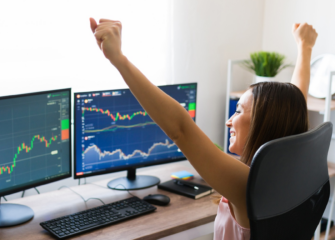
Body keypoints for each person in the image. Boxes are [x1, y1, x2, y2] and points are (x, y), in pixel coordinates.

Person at [89, 18, 318, 240]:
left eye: (238, 111)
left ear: (265, 122)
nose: (229, 121)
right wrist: (304, 48)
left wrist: (119, 59)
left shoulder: (249, 185)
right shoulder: (289, 172)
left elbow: (180, 128)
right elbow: (297, 100)